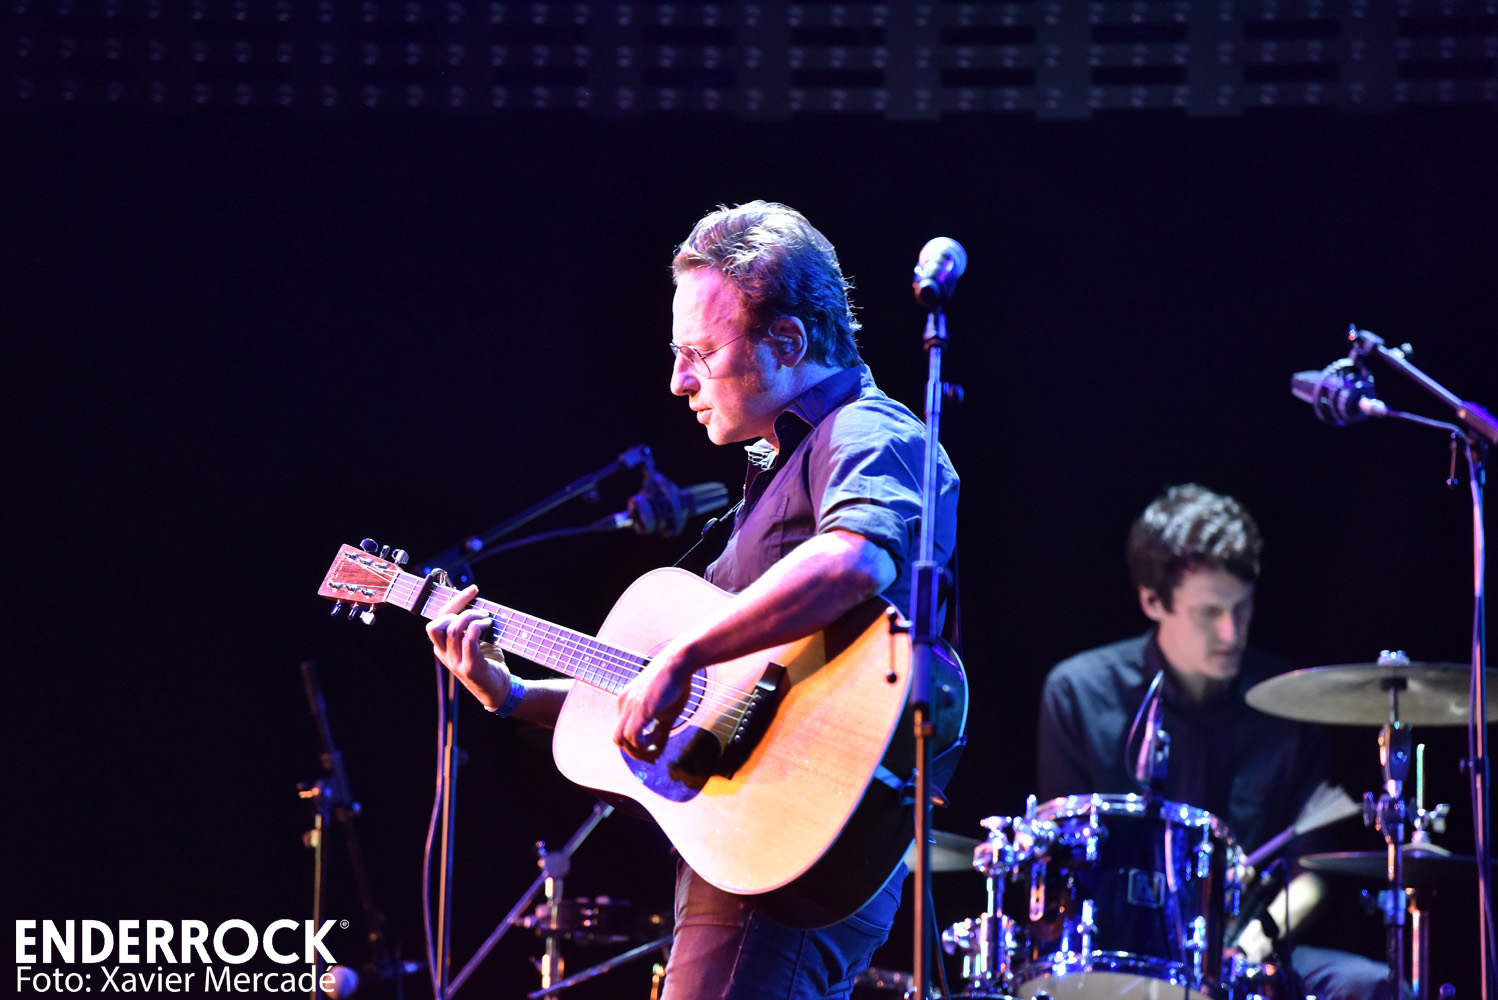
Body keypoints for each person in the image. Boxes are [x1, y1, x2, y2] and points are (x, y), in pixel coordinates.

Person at [424, 201, 960, 999]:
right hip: (750, 841)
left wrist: (684, 653)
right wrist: (513, 694)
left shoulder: (867, 431)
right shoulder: (772, 478)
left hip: (789, 838)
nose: (678, 382)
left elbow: (856, 559)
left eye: (698, 353)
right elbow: (689, 697)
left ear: (788, 341)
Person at [1036, 484, 1397, 1000]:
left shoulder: (1289, 704)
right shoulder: (1078, 692)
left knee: (1372, 985)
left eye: (1242, 608)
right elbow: (1069, 869)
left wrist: (1251, 947)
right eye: (1209, 612)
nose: (1232, 633)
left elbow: (1311, 870)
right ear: (1152, 600)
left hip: (1250, 950)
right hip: (1122, 952)